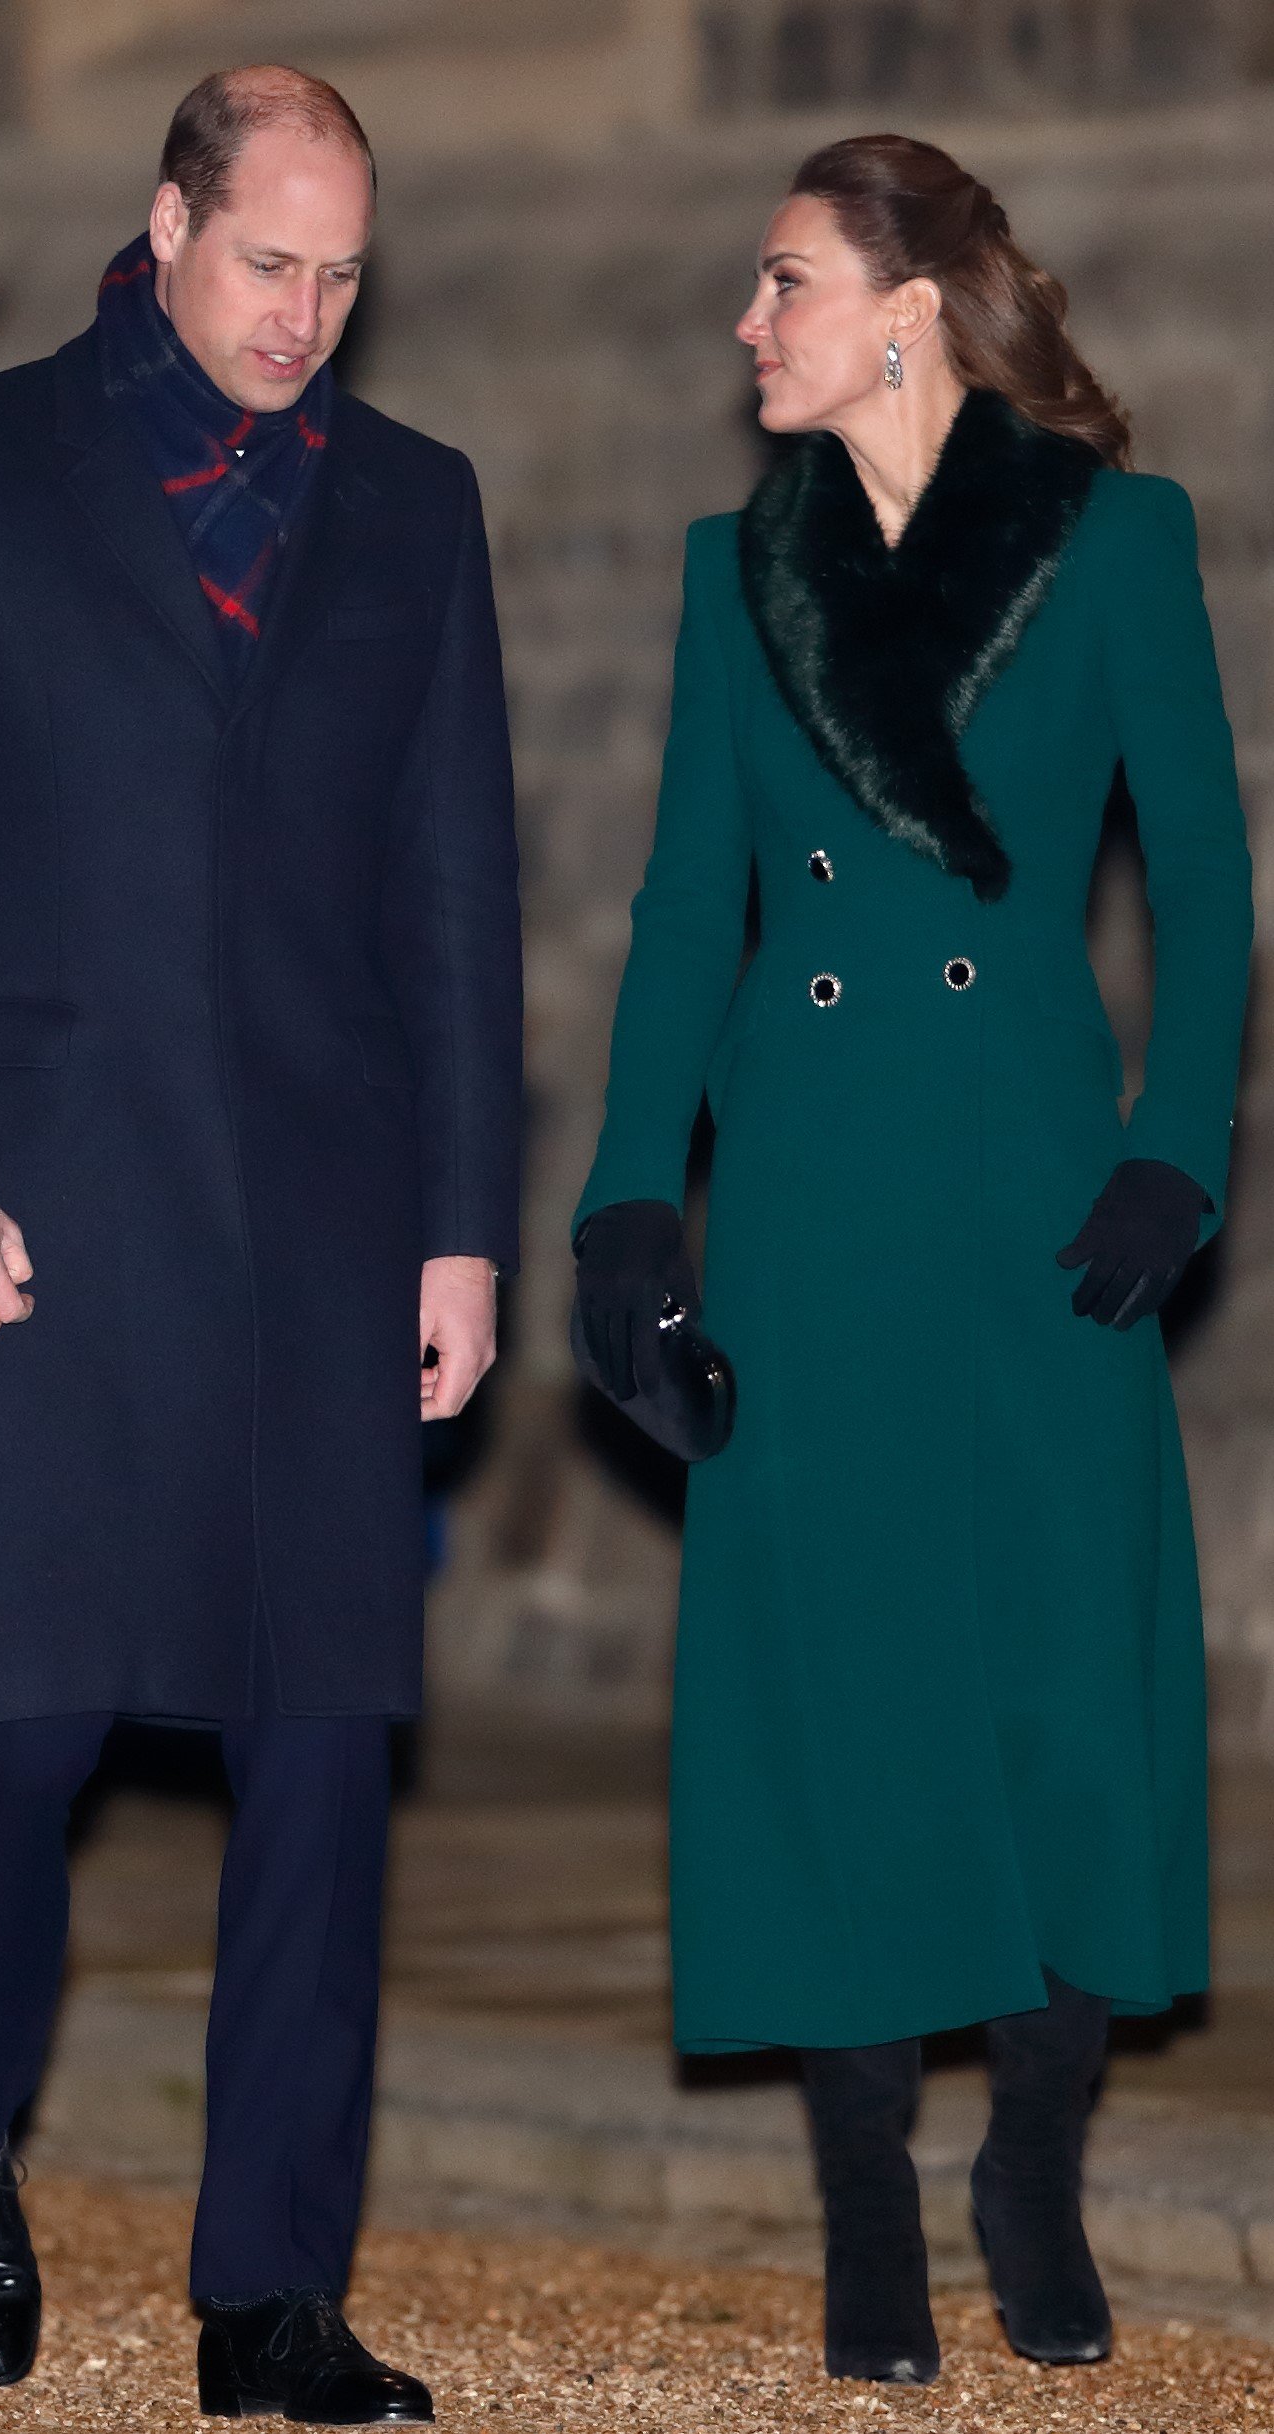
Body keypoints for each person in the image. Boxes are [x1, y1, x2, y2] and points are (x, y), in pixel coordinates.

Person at [0, 64, 521, 2423]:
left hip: (319, 1231)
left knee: (319, 1750)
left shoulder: (413, 512)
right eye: (263, 265)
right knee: (11, 1733)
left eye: (340, 276)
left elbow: (451, 895)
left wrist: (458, 1228)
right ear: (163, 221)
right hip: (26, 1215)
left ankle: (268, 2294)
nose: (303, 318)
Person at [574, 135, 1246, 2386]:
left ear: (906, 306)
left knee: (1061, 1677)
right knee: (830, 1695)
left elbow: (1214, 894)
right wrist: (624, 1205)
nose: (742, 327)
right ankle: (862, 2182)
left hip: (1038, 1198)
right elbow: (689, 907)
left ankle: (1026, 2154)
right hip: (809, 1190)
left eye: (778, 284)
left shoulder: (1113, 542)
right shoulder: (725, 569)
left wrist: (1173, 1153)